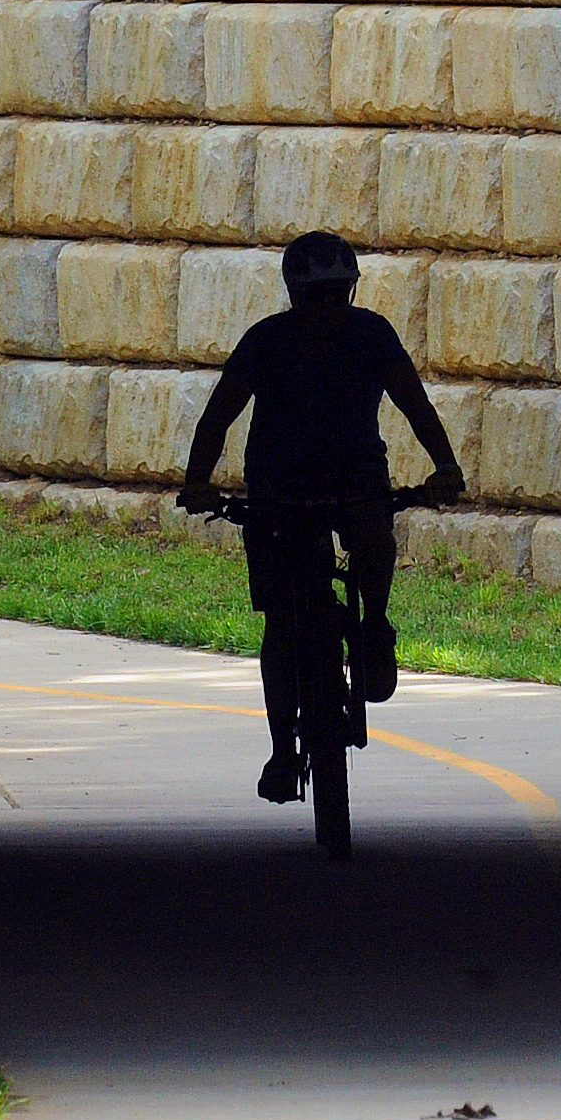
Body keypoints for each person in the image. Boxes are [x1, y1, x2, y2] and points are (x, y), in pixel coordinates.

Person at [178, 229, 466, 804]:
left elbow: (415, 404)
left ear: (352, 293)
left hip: (354, 472)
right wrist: (198, 483)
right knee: (281, 623)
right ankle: (284, 749)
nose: (329, 309)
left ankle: (374, 622)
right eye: (317, 298)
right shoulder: (265, 342)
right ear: (294, 295)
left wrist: (446, 469)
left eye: (339, 295)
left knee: (374, 539)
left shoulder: (373, 336)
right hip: (277, 484)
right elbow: (218, 415)